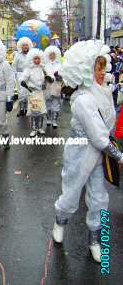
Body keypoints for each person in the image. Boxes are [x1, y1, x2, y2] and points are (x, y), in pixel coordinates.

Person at [52, 40, 123, 263]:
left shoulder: (102, 92)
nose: (102, 73)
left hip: (98, 156)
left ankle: (96, 240)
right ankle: (60, 220)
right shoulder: (83, 100)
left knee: (100, 198)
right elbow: (99, 136)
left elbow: (108, 127)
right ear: (85, 72)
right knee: (72, 193)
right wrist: (119, 155)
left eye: (104, 68)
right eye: (97, 69)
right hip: (81, 153)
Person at [20, 48, 46, 137]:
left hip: (40, 92)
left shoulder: (42, 68)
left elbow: (48, 76)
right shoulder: (29, 69)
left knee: (41, 111)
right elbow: (23, 77)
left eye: (38, 59)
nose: (37, 60)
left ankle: (40, 127)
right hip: (33, 92)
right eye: (35, 59)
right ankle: (34, 129)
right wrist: (23, 81)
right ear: (32, 59)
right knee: (35, 111)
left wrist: (50, 78)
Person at [12, 37, 33, 117]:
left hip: (29, 76)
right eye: (23, 45)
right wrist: (15, 75)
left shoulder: (31, 54)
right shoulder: (17, 55)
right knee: (21, 93)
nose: (25, 47)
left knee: (28, 93)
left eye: (26, 45)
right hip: (20, 76)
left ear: (29, 46)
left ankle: (27, 109)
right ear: (21, 46)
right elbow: (14, 66)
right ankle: (21, 109)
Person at [44, 46, 63, 128]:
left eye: (53, 54)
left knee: (56, 103)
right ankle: (48, 119)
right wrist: (46, 78)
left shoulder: (60, 64)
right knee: (47, 103)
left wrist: (59, 77)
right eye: (50, 54)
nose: (52, 56)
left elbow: (63, 74)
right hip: (48, 86)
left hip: (57, 86)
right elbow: (43, 75)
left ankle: (54, 120)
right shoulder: (45, 65)